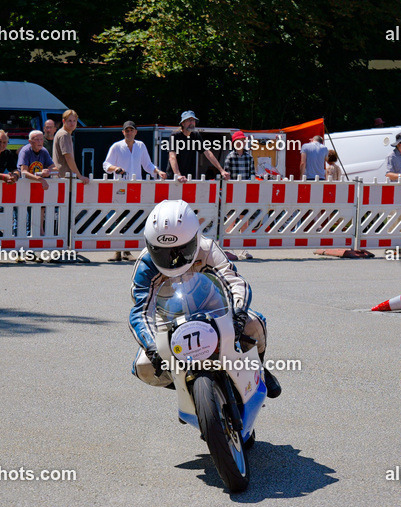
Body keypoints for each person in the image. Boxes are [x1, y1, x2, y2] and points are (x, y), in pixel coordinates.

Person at [129, 199, 281, 398]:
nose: (173, 259)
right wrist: (151, 346)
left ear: (195, 238)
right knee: (144, 366)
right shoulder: (145, 264)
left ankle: (258, 366)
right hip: (168, 319)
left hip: (213, 309)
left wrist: (239, 313)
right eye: (162, 252)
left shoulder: (207, 248)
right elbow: (141, 312)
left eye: (180, 250)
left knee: (254, 325)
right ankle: (187, 386)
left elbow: (234, 282)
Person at [103, 121, 166, 261]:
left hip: (135, 186)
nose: (129, 133)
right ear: (123, 132)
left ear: (136, 132)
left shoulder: (140, 146)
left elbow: (147, 165)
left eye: (131, 130)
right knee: (118, 218)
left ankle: (126, 250)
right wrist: (116, 168)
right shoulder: (117, 146)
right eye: (127, 130)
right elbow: (106, 165)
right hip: (120, 186)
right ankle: (117, 251)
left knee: (130, 218)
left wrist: (158, 171)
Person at [167, 111, 229, 182]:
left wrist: (221, 170)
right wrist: (178, 175)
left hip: (189, 178)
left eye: (193, 120)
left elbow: (208, 153)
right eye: (189, 120)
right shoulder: (175, 136)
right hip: (174, 178)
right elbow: (172, 157)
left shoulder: (195, 135)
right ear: (183, 123)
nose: (191, 123)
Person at [52, 109, 90, 183]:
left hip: (60, 176)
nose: (72, 123)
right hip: (64, 177)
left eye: (74, 121)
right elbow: (68, 157)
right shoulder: (64, 134)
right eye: (69, 121)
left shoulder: (62, 133)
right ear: (64, 121)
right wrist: (79, 176)